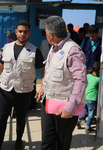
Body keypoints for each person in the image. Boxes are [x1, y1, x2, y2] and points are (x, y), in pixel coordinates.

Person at [0, 20, 45, 150]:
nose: (22, 34)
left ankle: (18, 141)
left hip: (24, 92)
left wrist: (42, 87)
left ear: (29, 33)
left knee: (21, 119)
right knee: (1, 119)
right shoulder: (6, 48)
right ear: (16, 32)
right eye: (20, 31)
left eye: (25, 31)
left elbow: (43, 71)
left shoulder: (35, 51)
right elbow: (0, 66)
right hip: (5, 90)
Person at [36, 16, 87, 150]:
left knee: (61, 145)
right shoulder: (54, 48)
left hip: (64, 107)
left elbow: (81, 80)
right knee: (47, 143)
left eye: (46, 33)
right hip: (48, 102)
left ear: (51, 35)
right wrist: (43, 89)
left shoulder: (73, 51)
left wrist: (71, 106)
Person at [77, 62, 100, 134]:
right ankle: (87, 128)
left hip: (85, 97)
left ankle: (78, 120)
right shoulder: (98, 80)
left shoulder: (87, 76)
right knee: (91, 114)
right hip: (92, 99)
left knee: (85, 111)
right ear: (99, 71)